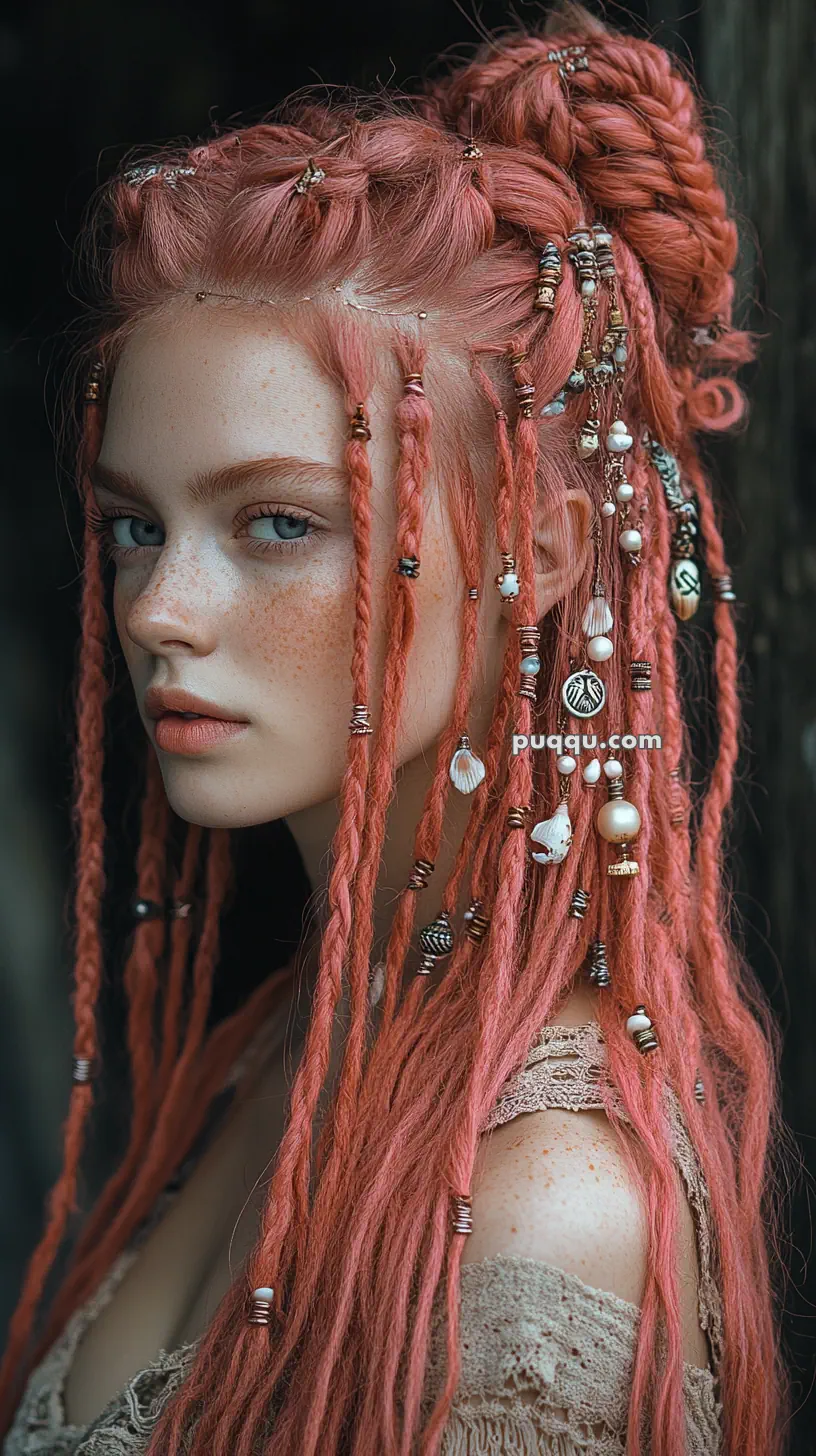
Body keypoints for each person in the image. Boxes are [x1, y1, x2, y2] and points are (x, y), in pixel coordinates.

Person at [0, 3, 792, 1451]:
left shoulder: (546, 1206)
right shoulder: (299, 1032)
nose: (158, 609)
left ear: (538, 551)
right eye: (132, 524)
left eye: (278, 522)